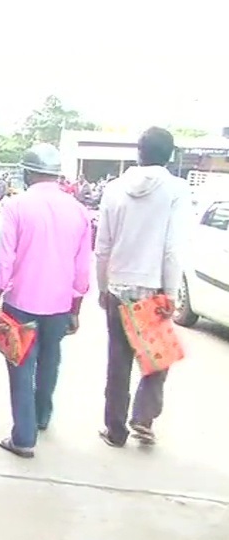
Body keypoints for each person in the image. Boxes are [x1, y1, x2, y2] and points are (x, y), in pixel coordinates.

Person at [0, 144, 92, 458]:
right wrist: (76, 308)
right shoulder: (78, 210)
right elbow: (82, 268)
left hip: (21, 302)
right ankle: (42, 416)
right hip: (60, 305)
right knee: (50, 361)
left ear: (28, 171)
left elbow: (4, 259)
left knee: (20, 366)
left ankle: (23, 437)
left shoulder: (16, 205)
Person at [95, 127, 190, 448]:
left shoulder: (114, 188)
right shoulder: (176, 189)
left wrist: (102, 286)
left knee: (118, 363)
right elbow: (173, 249)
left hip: (119, 287)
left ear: (139, 152)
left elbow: (103, 245)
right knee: (157, 360)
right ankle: (143, 418)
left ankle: (115, 430)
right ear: (171, 155)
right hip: (153, 290)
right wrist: (172, 293)